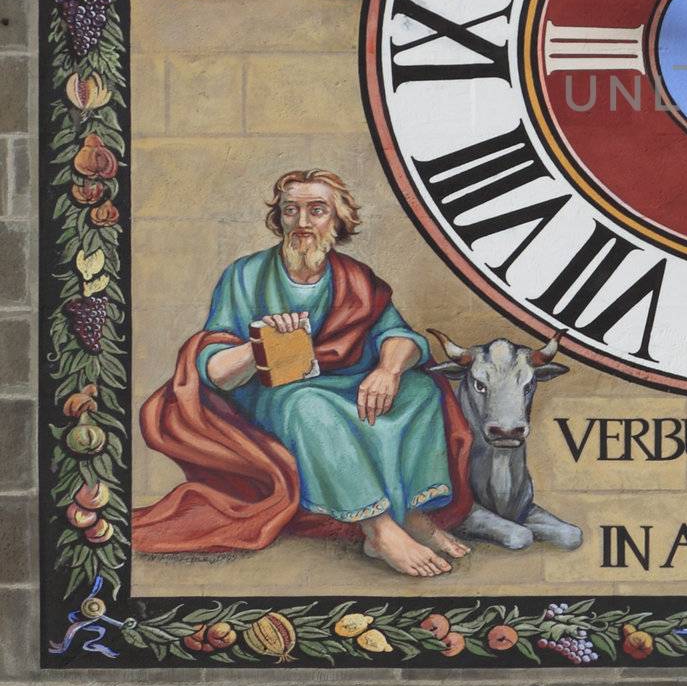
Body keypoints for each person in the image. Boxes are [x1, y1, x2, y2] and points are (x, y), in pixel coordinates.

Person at [132, 170, 474, 578]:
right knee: (308, 403)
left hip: (344, 381)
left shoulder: (355, 278)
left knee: (419, 389)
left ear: (338, 218)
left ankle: (414, 515)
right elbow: (214, 366)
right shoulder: (245, 275)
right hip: (273, 393)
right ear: (279, 218)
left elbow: (399, 336)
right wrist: (262, 346)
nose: (303, 223)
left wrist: (386, 368)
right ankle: (379, 529)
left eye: (317, 210)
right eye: (291, 210)